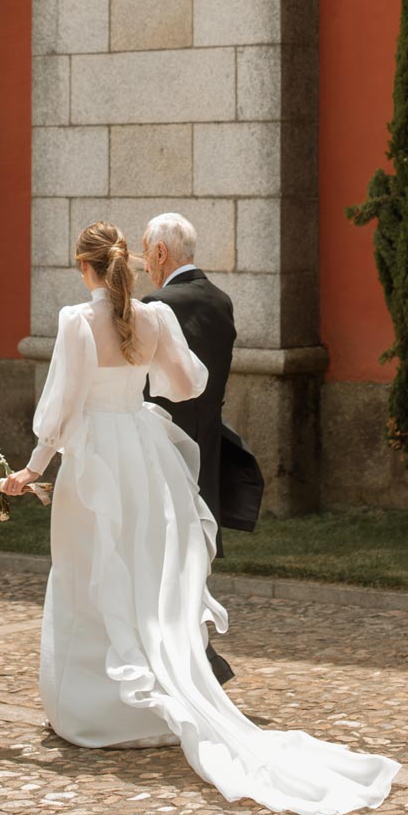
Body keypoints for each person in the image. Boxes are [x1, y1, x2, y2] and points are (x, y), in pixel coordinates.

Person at [3, 221, 400, 815]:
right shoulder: (153, 317)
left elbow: (58, 415)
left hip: (97, 463)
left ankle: (92, 710)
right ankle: (148, 704)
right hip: (145, 450)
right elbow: (191, 383)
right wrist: (143, 385)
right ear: (130, 265)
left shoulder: (76, 323)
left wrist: (28, 472)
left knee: (90, 572)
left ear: (84, 268)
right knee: (145, 575)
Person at [140, 211, 239, 685]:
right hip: (209, 444)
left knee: (163, 556)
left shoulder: (157, 304)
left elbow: (146, 385)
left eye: (145, 253)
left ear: (160, 253)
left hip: (166, 446)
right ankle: (198, 656)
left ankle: (183, 660)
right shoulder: (221, 301)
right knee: (196, 551)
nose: (143, 266)